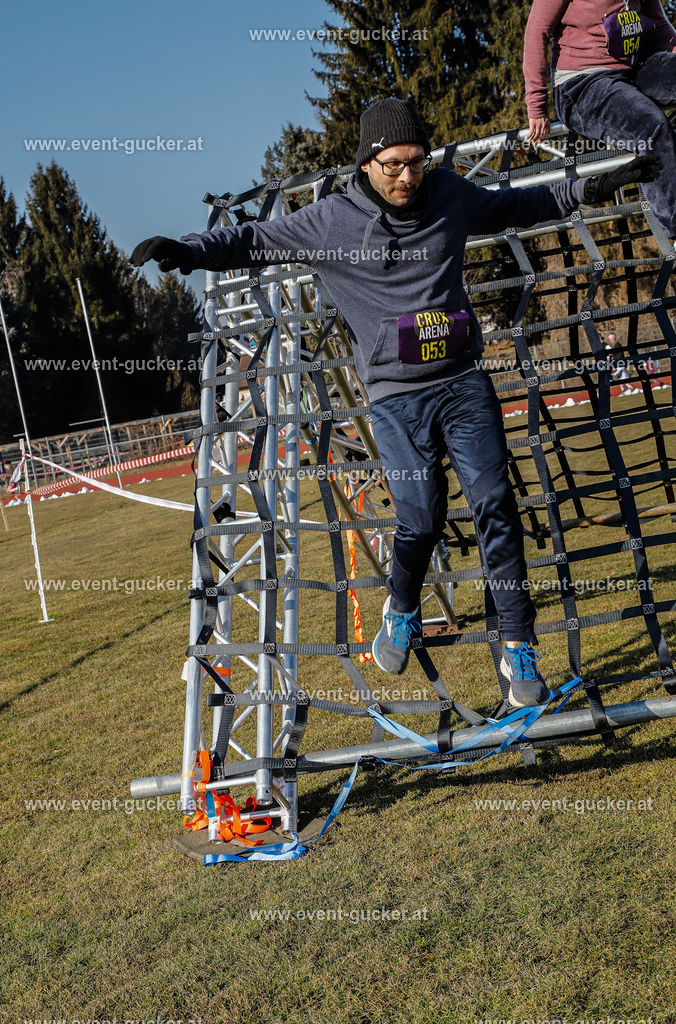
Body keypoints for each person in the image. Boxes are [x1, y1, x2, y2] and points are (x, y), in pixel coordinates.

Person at [130, 98, 657, 708]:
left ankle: (518, 644)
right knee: (422, 520)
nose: (408, 176)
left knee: (496, 505)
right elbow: (251, 239)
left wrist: (593, 186)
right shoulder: (330, 222)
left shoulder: (450, 195)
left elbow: (522, 204)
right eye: (393, 166)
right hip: (396, 398)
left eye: (416, 162)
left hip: (463, 382)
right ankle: (400, 608)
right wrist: (188, 250)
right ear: (366, 163)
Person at [523, 0, 676, 240]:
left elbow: (659, 26)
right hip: (582, 82)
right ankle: (674, 230)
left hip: (635, 68)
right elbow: (537, 30)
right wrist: (536, 103)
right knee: (651, 127)